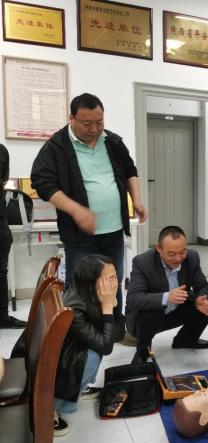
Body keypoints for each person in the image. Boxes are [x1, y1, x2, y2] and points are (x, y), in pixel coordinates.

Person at [30, 93, 147, 316]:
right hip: (79, 235)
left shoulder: (112, 141)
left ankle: (114, 327)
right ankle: (79, 330)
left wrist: (137, 200)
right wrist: (76, 210)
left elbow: (130, 170)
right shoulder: (57, 146)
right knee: (80, 288)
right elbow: (42, 183)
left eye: (99, 122)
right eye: (87, 123)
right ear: (71, 118)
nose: (94, 129)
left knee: (112, 284)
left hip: (113, 231)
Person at [54, 254, 126, 436]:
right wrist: (108, 307)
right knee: (92, 356)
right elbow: (106, 347)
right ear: (93, 282)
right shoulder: (74, 309)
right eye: (110, 278)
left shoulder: (91, 294)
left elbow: (118, 335)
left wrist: (113, 306)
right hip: (49, 363)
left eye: (116, 276)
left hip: (64, 353)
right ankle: (51, 407)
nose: (117, 282)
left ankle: (78, 386)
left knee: (96, 345)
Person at [126, 226, 208, 364]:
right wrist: (166, 297)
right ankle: (142, 352)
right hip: (148, 318)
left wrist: (202, 298)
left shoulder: (192, 257)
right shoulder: (143, 262)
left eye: (182, 252)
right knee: (151, 311)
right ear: (159, 248)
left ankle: (185, 340)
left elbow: (202, 286)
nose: (178, 258)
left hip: (177, 309)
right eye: (171, 254)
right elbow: (133, 298)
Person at [0, 144, 26, 328]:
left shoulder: (2, 151)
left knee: (1, 272)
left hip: (0, 224)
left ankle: (2, 316)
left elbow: (4, 180)